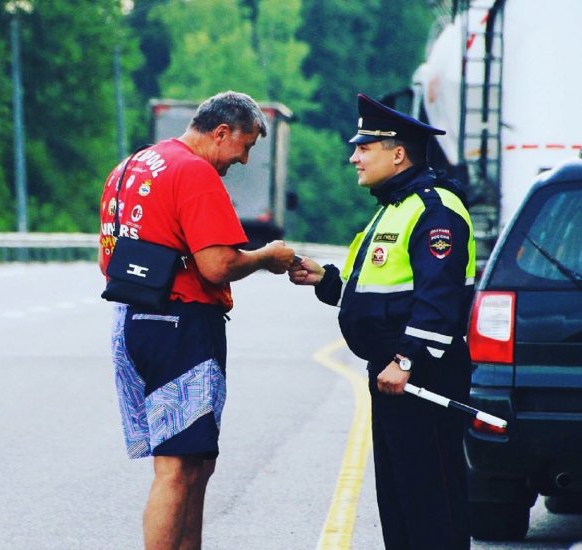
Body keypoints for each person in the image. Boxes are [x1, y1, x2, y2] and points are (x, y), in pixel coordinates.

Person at [98, 91, 295, 550]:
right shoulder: (195, 172)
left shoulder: (132, 165)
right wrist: (267, 256)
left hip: (133, 319)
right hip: (180, 323)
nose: (244, 160)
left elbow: (109, 254)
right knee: (175, 468)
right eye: (244, 146)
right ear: (221, 132)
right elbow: (217, 265)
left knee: (195, 462)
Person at [289, 94, 476, 549]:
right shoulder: (394, 206)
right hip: (393, 373)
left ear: (397, 153)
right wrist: (325, 279)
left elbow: (438, 300)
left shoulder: (435, 211)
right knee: (399, 500)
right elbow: (379, 291)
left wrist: (407, 360)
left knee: (432, 502)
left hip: (421, 375)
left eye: (364, 147)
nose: (354, 156)